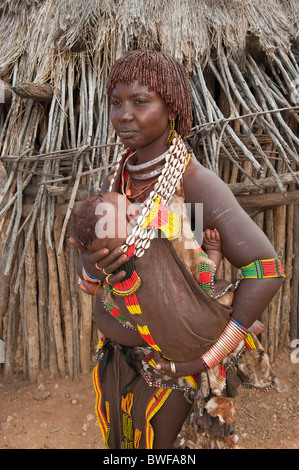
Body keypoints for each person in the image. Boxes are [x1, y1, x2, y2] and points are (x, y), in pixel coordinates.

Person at [69, 50, 285, 449]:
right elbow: (95, 261)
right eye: (116, 102)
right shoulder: (118, 177)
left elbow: (266, 268)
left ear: (172, 108)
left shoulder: (195, 186)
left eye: (140, 101)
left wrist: (209, 353)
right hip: (120, 352)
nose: (123, 115)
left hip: (176, 368)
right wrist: (93, 271)